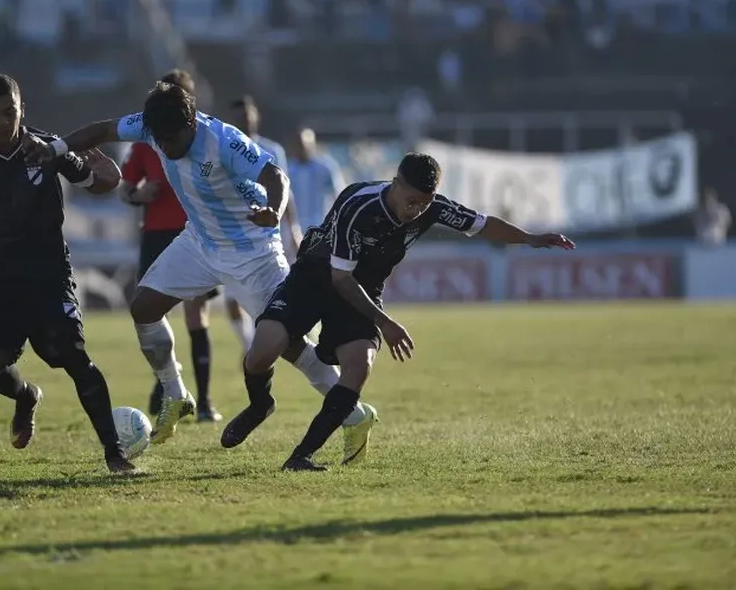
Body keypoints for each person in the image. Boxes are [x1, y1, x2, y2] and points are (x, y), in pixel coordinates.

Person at [23, 82, 380, 463]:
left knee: (289, 344)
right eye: (159, 139)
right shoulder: (151, 126)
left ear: (192, 123)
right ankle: (175, 394)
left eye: (173, 139)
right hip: (200, 242)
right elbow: (104, 129)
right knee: (143, 307)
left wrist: (273, 211)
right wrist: (56, 147)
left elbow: (276, 175)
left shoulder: (223, 141)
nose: (167, 147)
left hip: (252, 252)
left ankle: (355, 415)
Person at [227, 153, 576, 471]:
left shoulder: (433, 206)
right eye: (411, 201)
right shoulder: (360, 206)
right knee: (261, 353)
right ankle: (260, 406)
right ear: (395, 184)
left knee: (359, 365)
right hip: (316, 276)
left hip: (362, 286)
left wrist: (530, 238)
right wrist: (385, 323)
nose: (417, 211)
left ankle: (300, 457)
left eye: (424, 204)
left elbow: (483, 225)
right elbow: (341, 278)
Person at [0, 74, 137, 475]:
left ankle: (115, 453)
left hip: (47, 273)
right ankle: (25, 396)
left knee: (73, 357)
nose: (4, 121)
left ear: (22, 109)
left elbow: (97, 181)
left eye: (11, 112)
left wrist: (108, 175)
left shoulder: (48, 147)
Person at [120, 69, 222, 423]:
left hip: (196, 232)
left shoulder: (208, 140)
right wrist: (138, 193)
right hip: (157, 232)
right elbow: (125, 186)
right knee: (153, 313)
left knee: (196, 314)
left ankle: (205, 400)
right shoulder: (146, 140)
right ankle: (167, 388)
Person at [222, 95, 304, 355]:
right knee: (231, 295)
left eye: (247, 114)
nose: (244, 120)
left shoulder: (272, 149)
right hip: (233, 230)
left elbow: (285, 190)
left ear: (256, 116)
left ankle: (283, 337)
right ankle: (248, 345)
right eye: (238, 116)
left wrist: (293, 226)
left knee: (275, 290)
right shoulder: (224, 148)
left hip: (267, 229)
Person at [287, 127, 345, 232]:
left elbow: (338, 194)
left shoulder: (325, 167)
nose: (303, 148)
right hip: (296, 226)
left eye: (306, 143)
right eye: (299, 144)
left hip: (321, 224)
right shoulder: (288, 169)